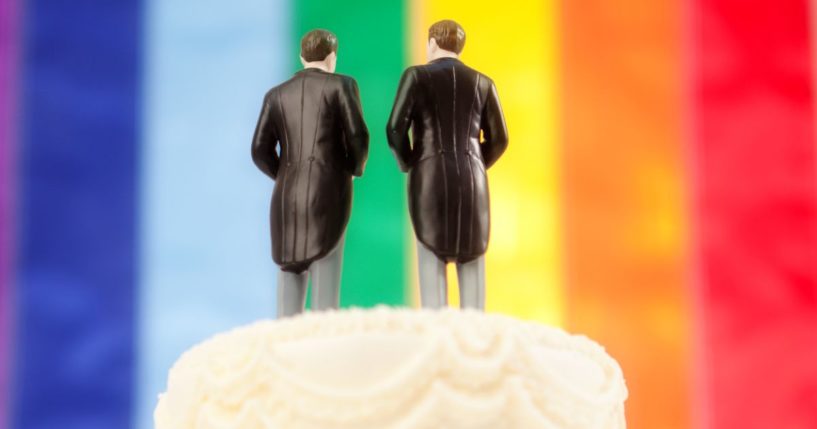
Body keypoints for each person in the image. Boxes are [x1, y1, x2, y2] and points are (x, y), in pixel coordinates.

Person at [386, 19, 509, 310]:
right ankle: (474, 336)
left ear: (432, 43)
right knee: (472, 256)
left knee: (431, 253)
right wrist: (478, 162)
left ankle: (437, 333)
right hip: (472, 180)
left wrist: (410, 162)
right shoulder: (483, 82)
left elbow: (394, 130)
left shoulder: (416, 77)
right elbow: (500, 138)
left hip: (429, 177)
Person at [252, 29, 369, 317]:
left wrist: (283, 174)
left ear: (301, 56)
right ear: (332, 57)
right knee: (326, 270)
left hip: (286, 197)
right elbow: (358, 137)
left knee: (289, 270)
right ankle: (322, 349)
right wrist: (353, 168)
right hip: (328, 191)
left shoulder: (276, 95)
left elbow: (259, 149)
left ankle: (285, 347)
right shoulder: (342, 86)